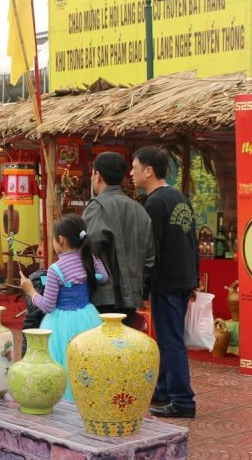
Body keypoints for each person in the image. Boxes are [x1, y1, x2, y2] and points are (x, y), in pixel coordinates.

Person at [131, 146, 198, 419]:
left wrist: (144, 287)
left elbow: (151, 250)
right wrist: (194, 279)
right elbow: (192, 243)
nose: (131, 174)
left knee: (171, 342)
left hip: (167, 282)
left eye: (134, 168)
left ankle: (182, 399)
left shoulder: (155, 203)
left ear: (149, 171)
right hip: (182, 280)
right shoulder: (180, 198)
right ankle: (162, 390)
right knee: (170, 339)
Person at [19, 214, 108, 401]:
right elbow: (104, 277)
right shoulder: (88, 259)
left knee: (64, 364)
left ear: (61, 240)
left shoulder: (56, 269)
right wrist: (93, 256)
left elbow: (48, 306)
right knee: (86, 363)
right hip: (88, 316)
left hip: (61, 322)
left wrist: (31, 291)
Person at [83, 151, 155, 327]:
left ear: (97, 176)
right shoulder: (140, 210)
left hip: (102, 297)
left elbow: (86, 250)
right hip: (132, 296)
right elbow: (150, 259)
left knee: (100, 349)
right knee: (123, 348)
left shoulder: (96, 208)